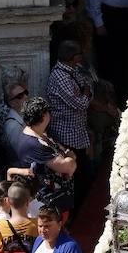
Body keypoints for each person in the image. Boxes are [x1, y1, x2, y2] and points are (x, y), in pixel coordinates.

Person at [9, 96, 77, 218]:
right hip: (48, 204)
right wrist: (70, 156)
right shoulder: (34, 143)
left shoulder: (36, 134)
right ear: (44, 116)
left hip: (55, 199)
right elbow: (68, 167)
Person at [46, 40, 94, 208]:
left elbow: (88, 87)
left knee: (84, 174)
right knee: (75, 176)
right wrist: (85, 95)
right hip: (67, 135)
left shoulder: (74, 70)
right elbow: (80, 103)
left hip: (78, 132)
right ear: (73, 57)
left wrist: (85, 94)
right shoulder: (60, 76)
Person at [0, 74, 30, 168]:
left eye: (25, 92)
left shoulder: (22, 117)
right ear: (11, 103)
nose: (25, 97)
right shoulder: (13, 125)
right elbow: (20, 153)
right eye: (19, 96)